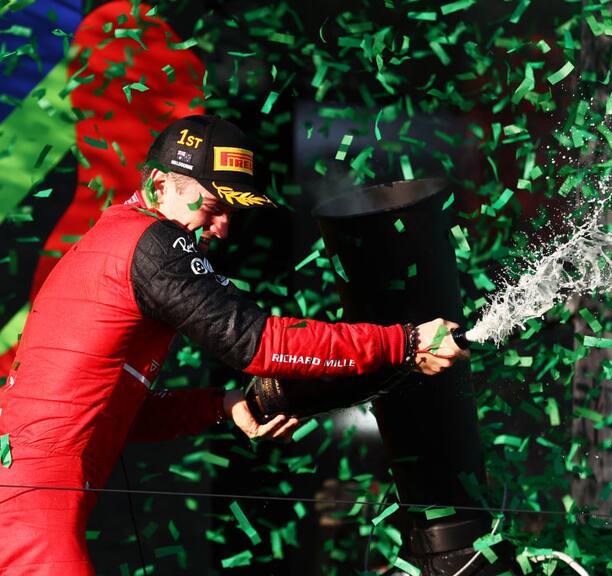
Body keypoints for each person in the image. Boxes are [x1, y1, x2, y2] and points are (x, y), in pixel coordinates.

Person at [0, 114, 468, 574]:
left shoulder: (112, 238)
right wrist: (405, 341)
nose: (222, 227)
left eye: (233, 211)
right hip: (31, 521)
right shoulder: (150, 243)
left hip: (23, 507)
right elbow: (258, 342)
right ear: (161, 185)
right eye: (212, 206)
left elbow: (114, 414)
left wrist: (220, 404)